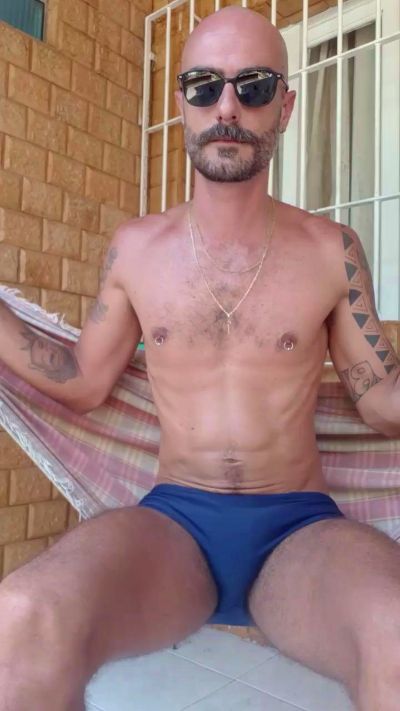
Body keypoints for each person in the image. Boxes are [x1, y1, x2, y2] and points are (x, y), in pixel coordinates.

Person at [0, 6, 400, 710]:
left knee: (395, 631)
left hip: (300, 529)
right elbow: (83, 381)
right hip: (175, 524)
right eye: (204, 85)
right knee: (24, 618)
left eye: (254, 86)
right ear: (182, 101)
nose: (227, 107)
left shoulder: (330, 250)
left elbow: (381, 402)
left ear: (285, 105)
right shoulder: (136, 249)